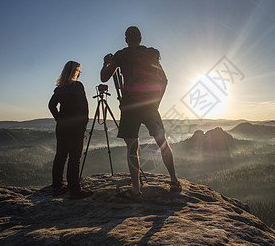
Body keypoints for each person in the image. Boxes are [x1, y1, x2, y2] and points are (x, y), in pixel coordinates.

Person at [100, 26, 181, 201]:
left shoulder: (121, 55)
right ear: (141, 38)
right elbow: (164, 80)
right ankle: (174, 181)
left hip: (129, 106)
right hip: (150, 105)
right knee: (162, 143)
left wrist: (106, 62)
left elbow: (104, 77)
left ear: (126, 39)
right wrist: (156, 102)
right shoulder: (151, 54)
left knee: (131, 148)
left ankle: (136, 190)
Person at [48, 61, 93, 199]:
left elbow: (51, 105)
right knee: (74, 157)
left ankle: (57, 186)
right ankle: (74, 189)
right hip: (76, 127)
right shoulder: (77, 86)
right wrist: (84, 123)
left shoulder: (59, 89)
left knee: (60, 155)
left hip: (62, 127)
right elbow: (84, 108)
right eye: (79, 71)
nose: (79, 73)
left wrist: (59, 118)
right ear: (75, 72)